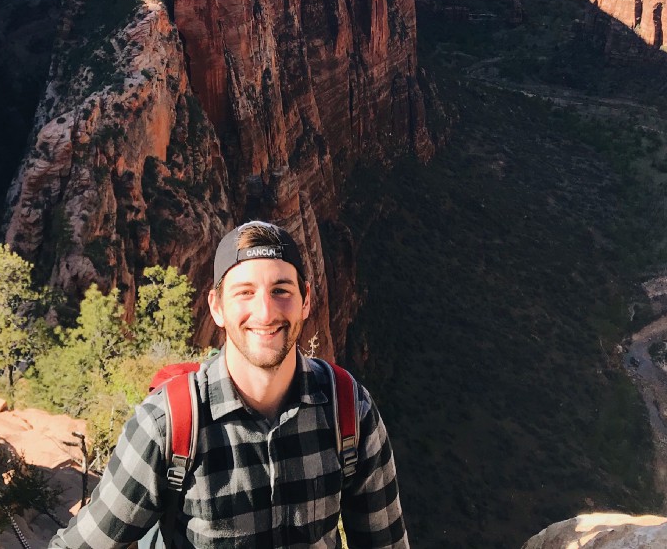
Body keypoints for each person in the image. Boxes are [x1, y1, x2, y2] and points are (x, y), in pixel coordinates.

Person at [47, 220, 409, 548]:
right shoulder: (167, 426)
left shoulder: (349, 411)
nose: (265, 312)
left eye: (281, 290)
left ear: (306, 301)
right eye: (244, 292)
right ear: (216, 307)